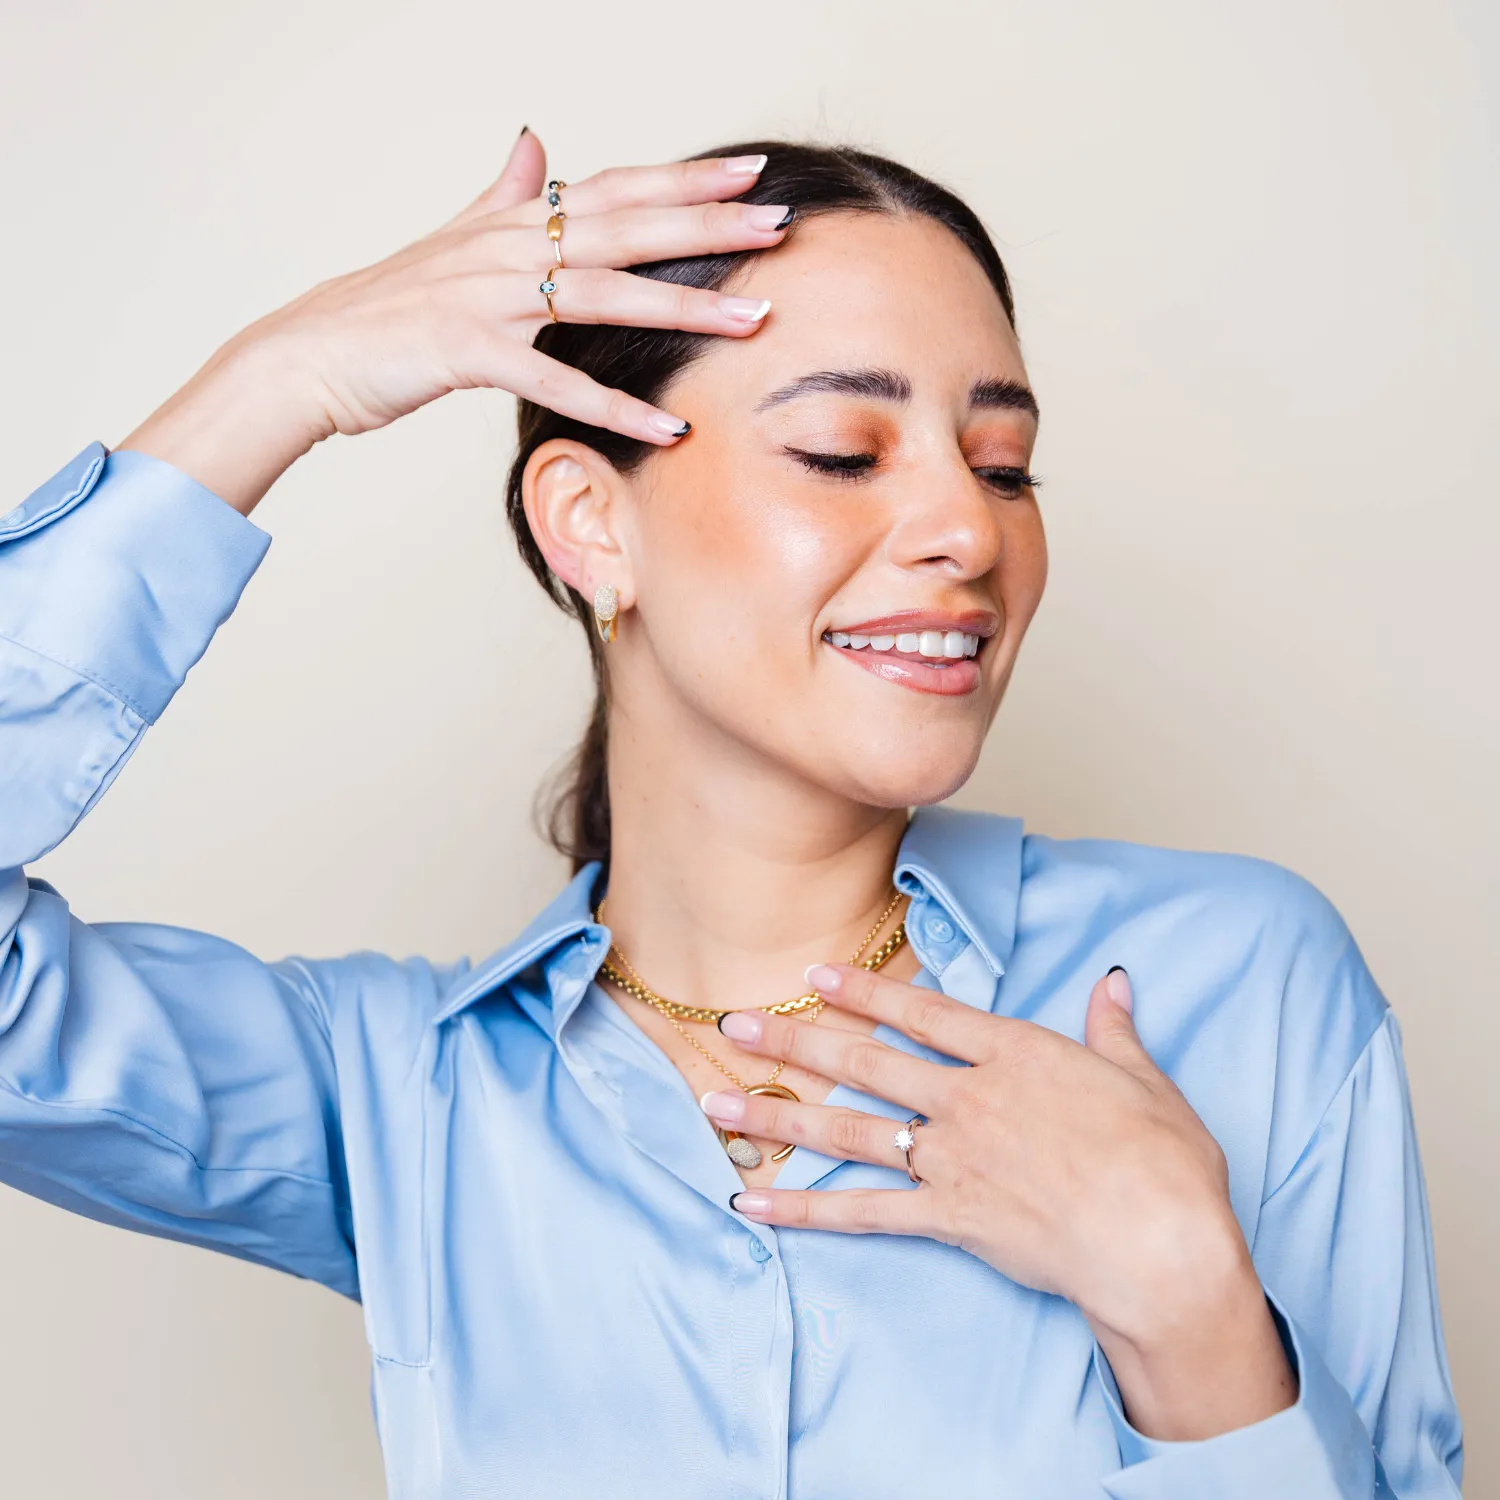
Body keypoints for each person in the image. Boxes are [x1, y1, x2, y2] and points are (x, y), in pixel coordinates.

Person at [0, 129, 1463, 1499]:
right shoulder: (403, 1101)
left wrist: (1188, 1305)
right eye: (844, 449)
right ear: (589, 524)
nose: (972, 531)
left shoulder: (1233, 983)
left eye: (1006, 467)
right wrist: (283, 380)